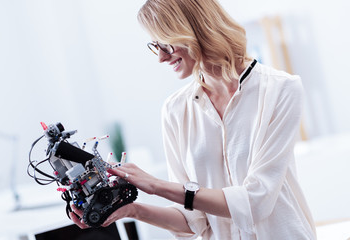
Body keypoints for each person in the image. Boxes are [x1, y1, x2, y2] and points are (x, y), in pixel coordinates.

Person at [70, 0, 316, 239]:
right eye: (155, 45)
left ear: (193, 29)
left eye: (165, 44)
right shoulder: (176, 110)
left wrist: (156, 185)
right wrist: (132, 210)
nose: (161, 58)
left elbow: (257, 200)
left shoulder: (280, 90)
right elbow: (193, 220)